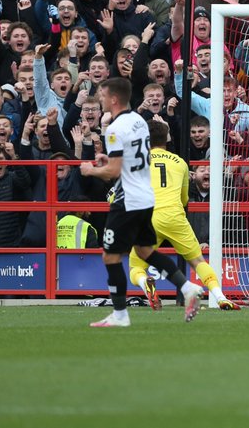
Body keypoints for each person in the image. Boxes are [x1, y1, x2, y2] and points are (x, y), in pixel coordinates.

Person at [80, 77, 203, 327]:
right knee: (145, 251)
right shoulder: (138, 121)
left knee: (110, 257)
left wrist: (90, 170)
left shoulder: (115, 128)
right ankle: (187, 286)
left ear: (114, 98)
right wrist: (111, 158)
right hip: (147, 197)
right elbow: (131, 158)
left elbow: (113, 172)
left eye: (103, 95)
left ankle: (120, 314)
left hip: (128, 200)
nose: (100, 99)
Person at [128, 120, 239, 312]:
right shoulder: (180, 163)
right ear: (167, 138)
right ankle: (221, 298)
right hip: (173, 215)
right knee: (198, 262)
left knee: (136, 266)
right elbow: (185, 198)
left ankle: (145, 282)